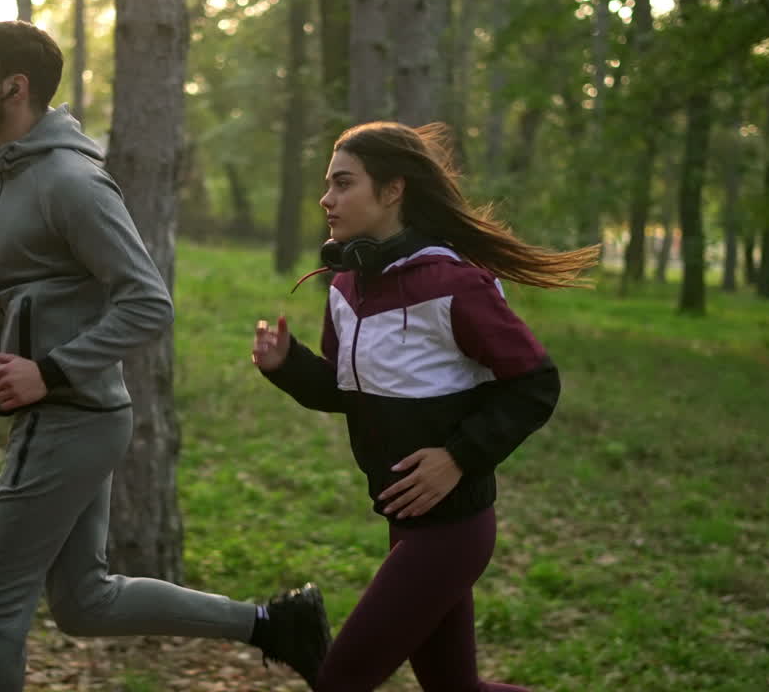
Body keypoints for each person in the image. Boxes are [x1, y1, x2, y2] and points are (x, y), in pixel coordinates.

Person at [0, 21, 330, 692]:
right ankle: (274, 624)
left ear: (14, 88)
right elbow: (55, 299)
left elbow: (148, 302)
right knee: (84, 601)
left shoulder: (71, 182)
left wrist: (46, 373)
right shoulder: (10, 177)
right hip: (74, 413)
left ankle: (275, 624)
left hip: (69, 417)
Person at [251, 121, 598, 692]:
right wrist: (287, 364)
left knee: (340, 682)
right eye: (328, 184)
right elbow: (346, 390)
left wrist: (458, 457)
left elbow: (536, 383)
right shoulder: (346, 285)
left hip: (453, 530)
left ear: (393, 190)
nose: (326, 198)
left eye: (343, 183)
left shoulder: (453, 284)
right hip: (406, 523)